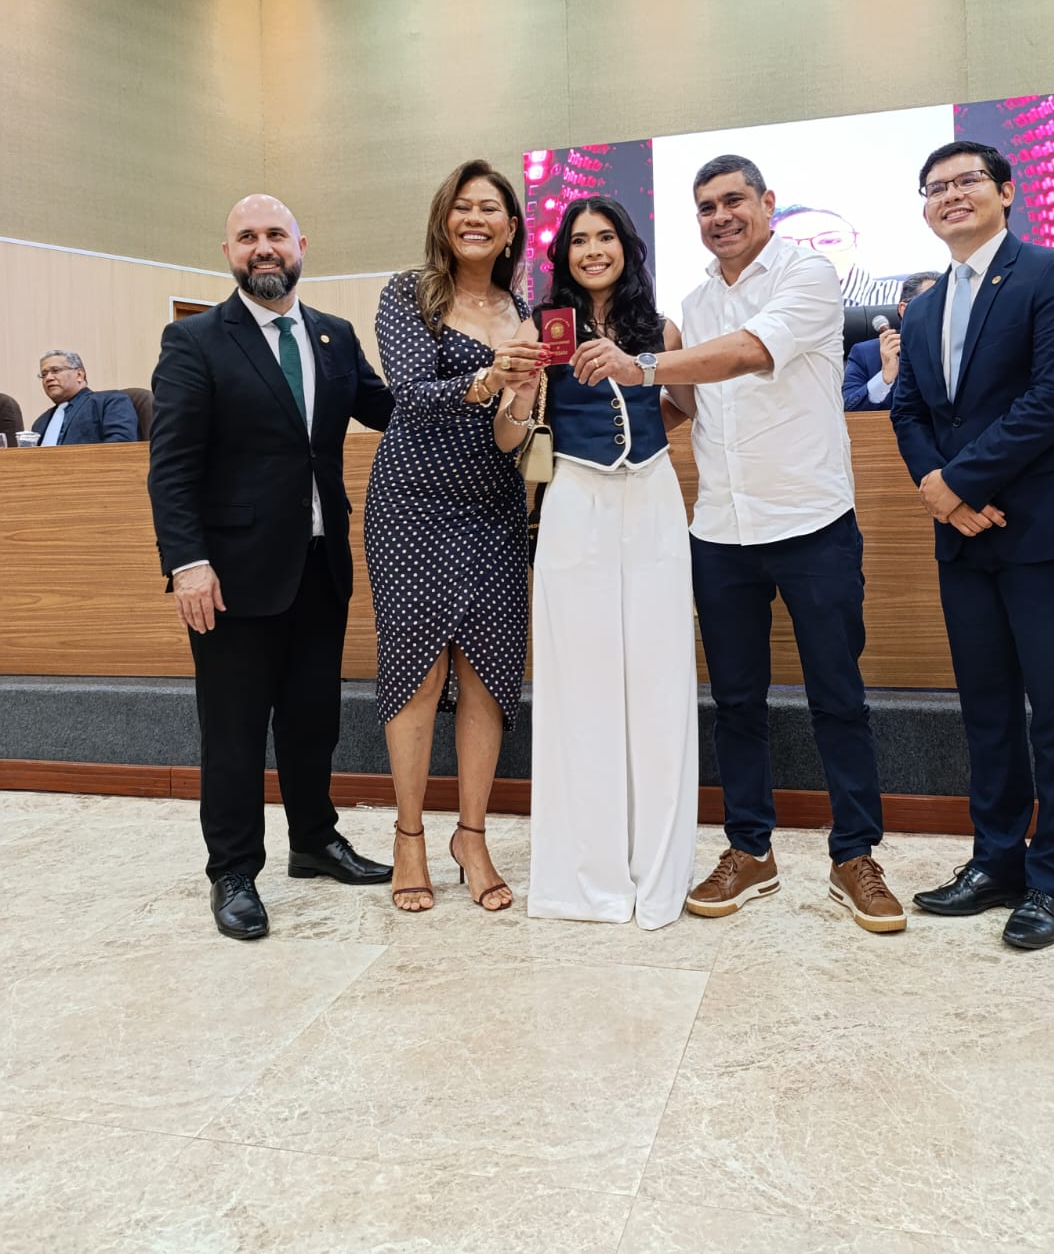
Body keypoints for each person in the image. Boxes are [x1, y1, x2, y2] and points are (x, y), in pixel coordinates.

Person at [574, 154, 904, 934]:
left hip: (812, 523)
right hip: (720, 530)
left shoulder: (808, 276)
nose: (720, 217)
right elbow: (685, 403)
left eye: (733, 201)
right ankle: (750, 850)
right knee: (735, 703)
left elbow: (752, 352)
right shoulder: (691, 303)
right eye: (706, 207)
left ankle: (855, 855)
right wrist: (590, 439)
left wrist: (641, 363)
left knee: (838, 698)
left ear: (767, 203)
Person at [891, 142, 1054, 950]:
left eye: (967, 182)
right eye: (935, 188)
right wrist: (938, 490)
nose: (950, 195)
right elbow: (909, 411)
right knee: (987, 713)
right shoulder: (924, 308)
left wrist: (957, 484)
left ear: (1007, 191)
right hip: (965, 537)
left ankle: (1052, 880)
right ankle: (995, 862)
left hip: (1051, 530)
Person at [148, 195, 395, 941]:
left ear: (301, 245)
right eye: (248, 236)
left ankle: (314, 840)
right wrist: (188, 563)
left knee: (313, 721)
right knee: (233, 732)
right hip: (230, 576)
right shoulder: (194, 339)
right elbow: (172, 466)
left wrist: (478, 386)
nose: (264, 247)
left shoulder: (333, 335)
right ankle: (232, 870)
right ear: (228, 252)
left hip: (320, 566)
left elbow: (390, 411)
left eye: (276, 235)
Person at [497, 196, 698, 929]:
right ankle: (586, 878)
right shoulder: (540, 326)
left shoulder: (662, 328)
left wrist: (643, 423)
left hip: (652, 496)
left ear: (626, 247)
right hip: (575, 498)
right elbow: (508, 438)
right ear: (563, 256)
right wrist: (519, 393)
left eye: (605, 237)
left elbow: (684, 404)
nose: (592, 250)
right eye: (578, 240)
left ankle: (658, 871)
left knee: (660, 676)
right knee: (578, 681)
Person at [365, 160, 544, 914]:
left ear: (511, 227)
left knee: (490, 674)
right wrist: (489, 377)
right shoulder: (409, 292)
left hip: (495, 506)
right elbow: (408, 393)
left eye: (491, 208)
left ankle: (472, 835)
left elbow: (514, 429)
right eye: (463, 207)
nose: (476, 218)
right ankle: (409, 837)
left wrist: (520, 396)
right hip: (412, 503)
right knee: (417, 668)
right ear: (445, 220)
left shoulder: (527, 310)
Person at [770, 203, 902, 308]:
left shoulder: (902, 297)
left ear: (855, 244)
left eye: (829, 241)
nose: (810, 252)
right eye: (789, 245)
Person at [842, 271, 939, 411]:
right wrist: (884, 379)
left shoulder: (963, 350)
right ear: (905, 310)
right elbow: (848, 411)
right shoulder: (865, 354)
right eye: (934, 303)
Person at [31, 351, 138, 444]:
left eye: (56, 370)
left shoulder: (110, 401)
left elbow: (120, 446)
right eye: (44, 374)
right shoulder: (40, 422)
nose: (48, 378)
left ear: (79, 375)